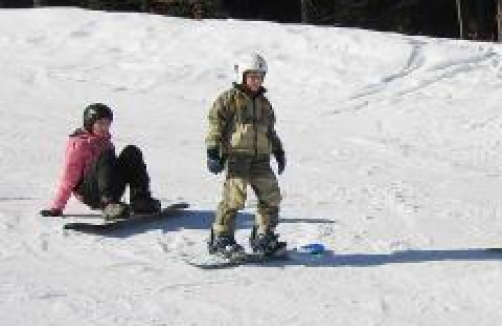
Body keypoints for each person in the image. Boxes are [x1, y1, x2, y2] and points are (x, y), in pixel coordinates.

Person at [205, 53, 287, 259]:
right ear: (242, 76)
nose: (256, 81)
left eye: (260, 76)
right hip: (237, 157)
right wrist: (213, 150)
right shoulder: (229, 99)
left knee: (271, 196)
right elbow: (216, 124)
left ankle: (263, 236)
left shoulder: (265, 104)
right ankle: (221, 238)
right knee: (234, 198)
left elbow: (270, 131)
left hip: (261, 159)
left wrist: (278, 150)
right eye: (251, 76)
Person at [40, 103, 161, 220]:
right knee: (106, 155)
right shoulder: (79, 144)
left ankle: (140, 200)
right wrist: (57, 207)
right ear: (90, 123)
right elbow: (69, 178)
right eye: (101, 123)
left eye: (108, 123)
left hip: (109, 188)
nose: (105, 127)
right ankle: (108, 205)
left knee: (131, 151)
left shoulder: (105, 141)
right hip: (89, 193)